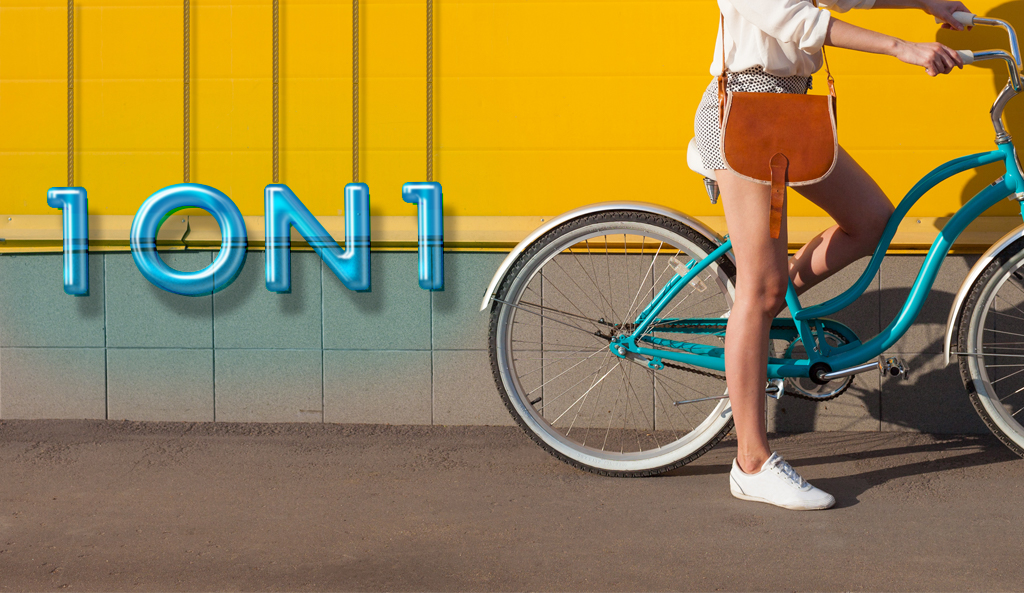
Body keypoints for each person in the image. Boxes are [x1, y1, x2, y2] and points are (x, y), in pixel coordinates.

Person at [695, 0, 972, 510]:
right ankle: (750, 464)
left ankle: (758, 308)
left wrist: (925, 3)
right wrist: (901, 48)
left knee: (870, 220)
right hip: (745, 113)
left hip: (791, 110)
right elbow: (801, 21)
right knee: (761, 290)